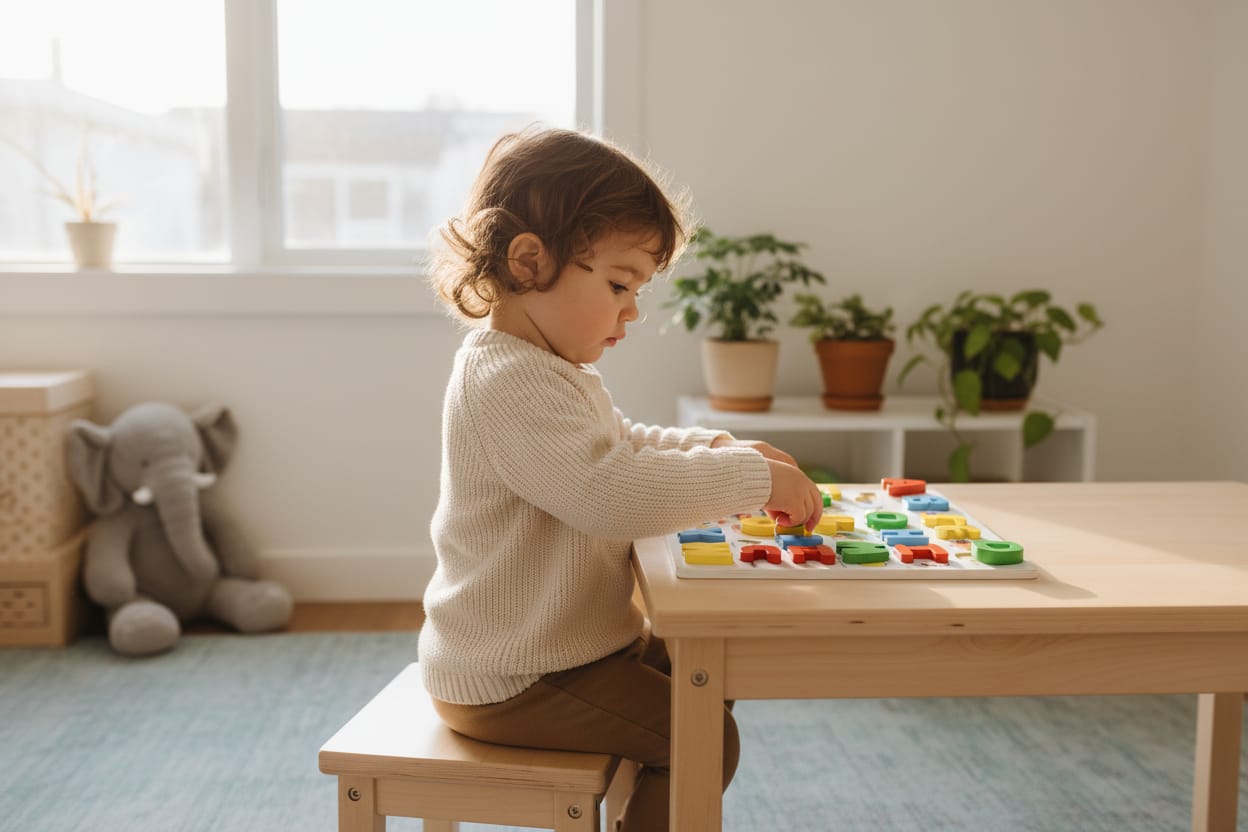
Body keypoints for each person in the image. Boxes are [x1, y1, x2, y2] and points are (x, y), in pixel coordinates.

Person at [419, 126, 823, 831]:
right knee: (701, 736)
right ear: (527, 262)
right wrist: (748, 481)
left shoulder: (549, 370)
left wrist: (723, 446)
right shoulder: (507, 379)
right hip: (516, 674)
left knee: (707, 673)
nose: (632, 309)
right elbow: (608, 492)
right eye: (617, 284)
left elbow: (623, 443)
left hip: (567, 647)